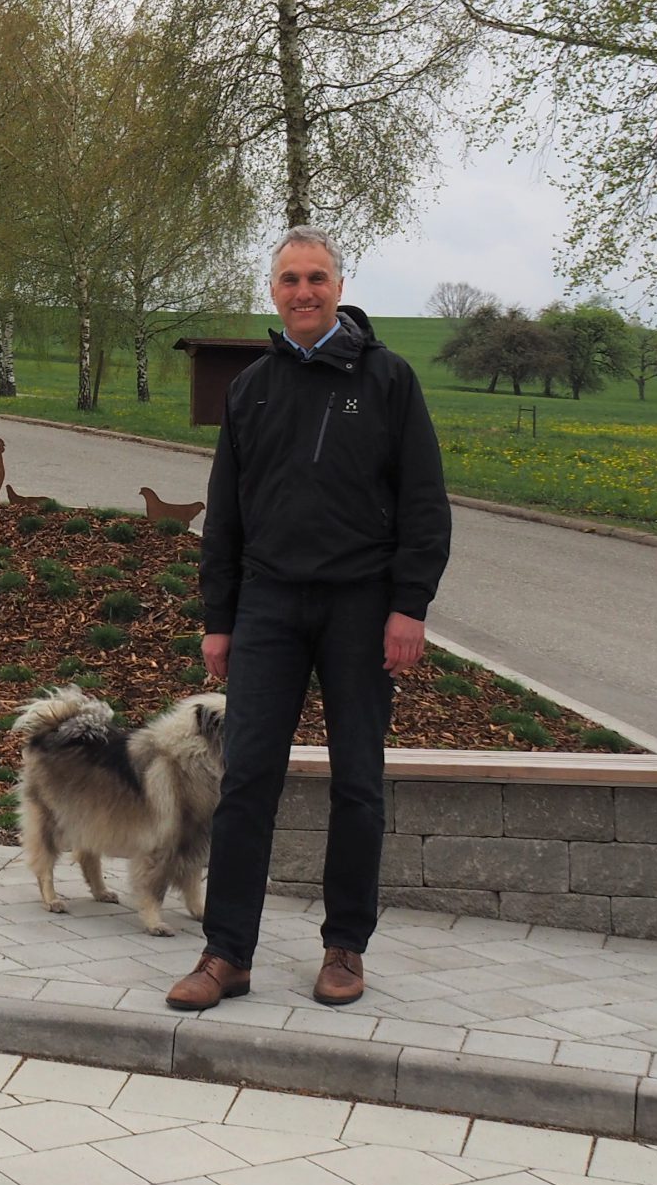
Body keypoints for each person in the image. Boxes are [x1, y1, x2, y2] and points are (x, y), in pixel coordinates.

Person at [168, 228, 451, 1013]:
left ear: (339, 285)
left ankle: (344, 948)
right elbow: (224, 513)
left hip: (362, 609)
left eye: (316, 278)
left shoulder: (388, 380)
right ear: (273, 293)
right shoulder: (252, 387)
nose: (304, 291)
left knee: (358, 782)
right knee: (248, 780)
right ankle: (227, 953)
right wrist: (218, 619)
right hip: (268, 607)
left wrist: (409, 606)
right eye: (290, 279)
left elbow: (426, 506)